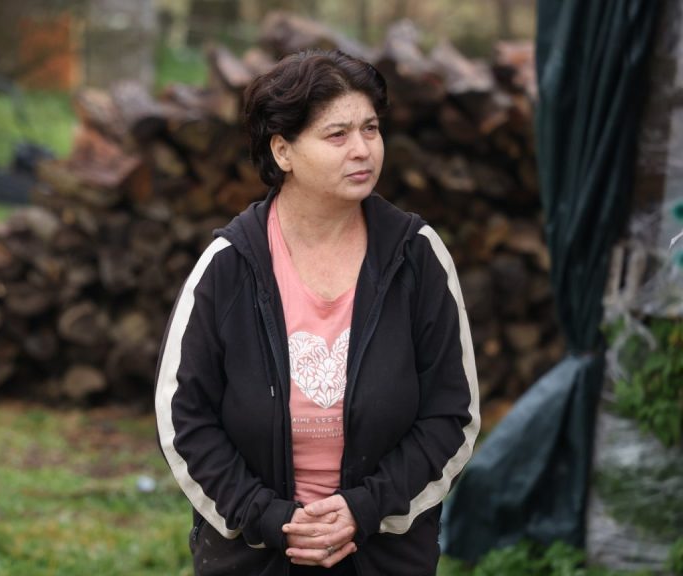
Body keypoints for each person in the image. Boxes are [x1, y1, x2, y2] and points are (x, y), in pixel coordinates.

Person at [154, 49, 480, 576]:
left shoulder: (416, 256)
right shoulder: (229, 264)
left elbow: (451, 414)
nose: (362, 149)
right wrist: (271, 518)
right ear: (282, 150)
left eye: (370, 129)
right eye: (337, 135)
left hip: (384, 556)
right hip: (255, 559)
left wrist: (363, 509)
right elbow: (183, 419)